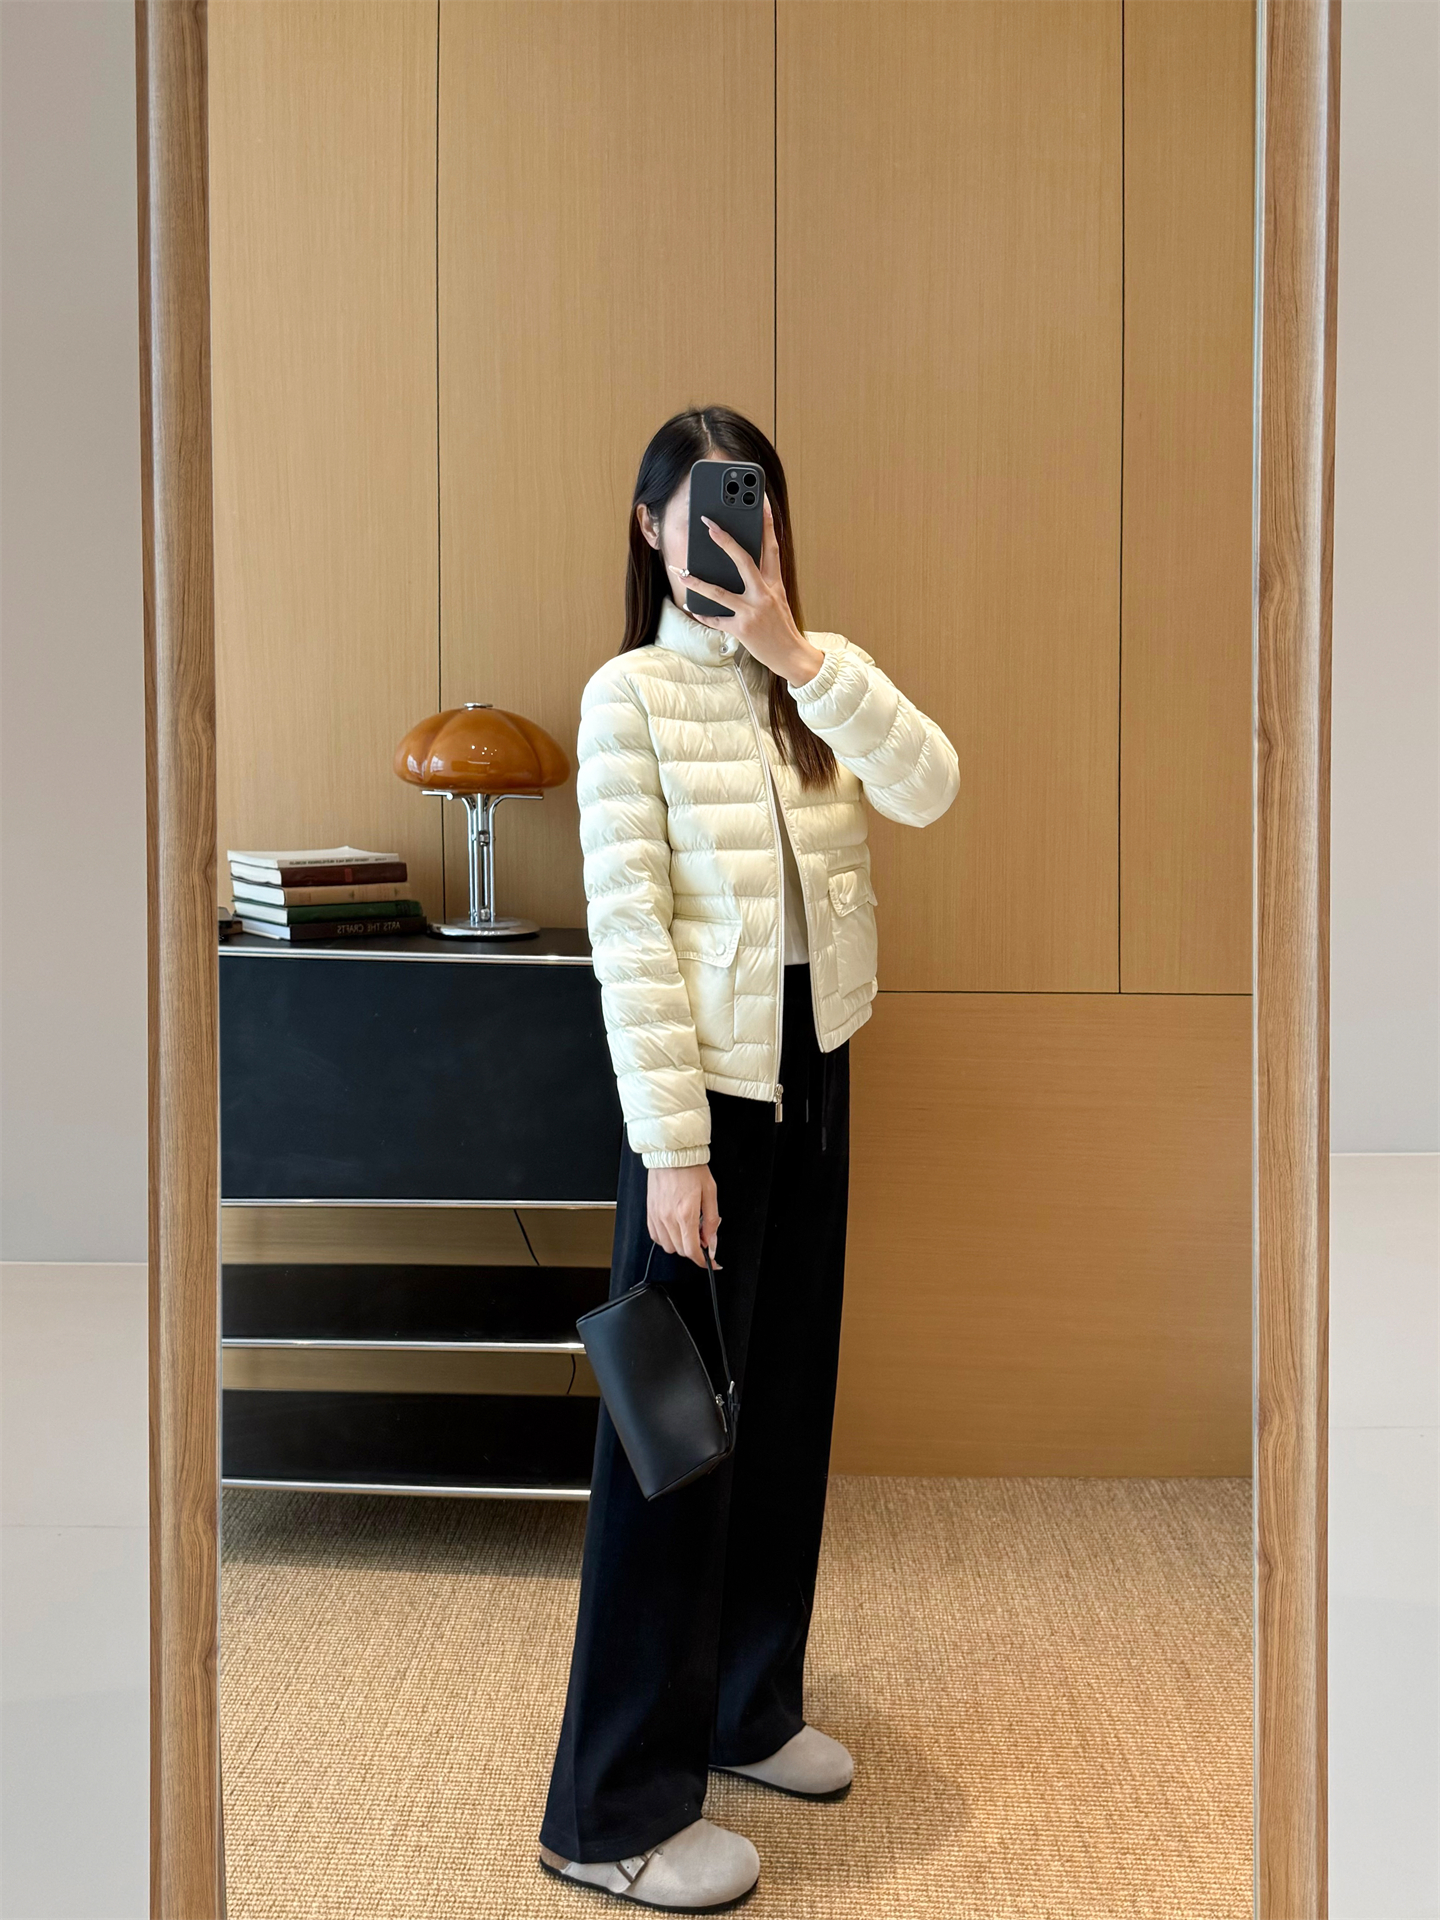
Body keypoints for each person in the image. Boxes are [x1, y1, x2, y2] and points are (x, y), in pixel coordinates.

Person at [539, 405, 959, 1911]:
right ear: (649, 526)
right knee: (670, 1445)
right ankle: (608, 1810)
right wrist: (672, 1152)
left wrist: (795, 652)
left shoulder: (813, 681)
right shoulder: (629, 697)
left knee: (782, 1409)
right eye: (706, 507)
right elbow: (632, 939)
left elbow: (931, 783)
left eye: (755, 504)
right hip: (703, 1105)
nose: (732, 529)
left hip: (814, 1074)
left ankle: (744, 1706)